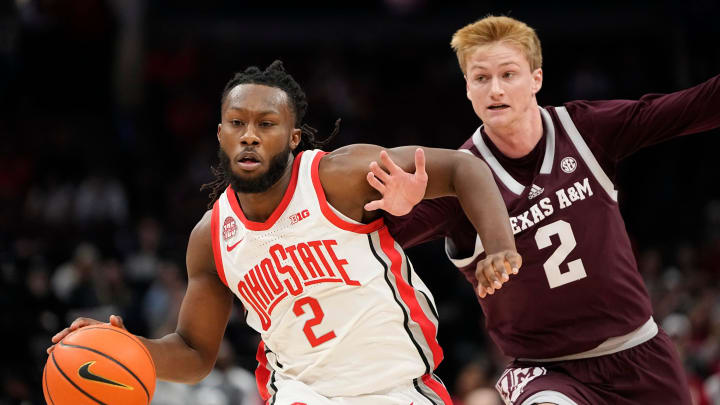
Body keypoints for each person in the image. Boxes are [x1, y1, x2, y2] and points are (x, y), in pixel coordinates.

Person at [48, 60, 521, 405]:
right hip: (300, 394)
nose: (249, 135)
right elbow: (194, 353)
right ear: (220, 135)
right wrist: (130, 348)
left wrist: (499, 245)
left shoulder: (338, 176)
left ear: (293, 137)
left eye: (266, 124)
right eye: (237, 123)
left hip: (397, 388)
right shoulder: (211, 236)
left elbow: (464, 168)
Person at [367, 15, 720, 405]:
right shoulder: (460, 177)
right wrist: (397, 211)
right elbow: (375, 241)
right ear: (467, 88)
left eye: (508, 74)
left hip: (639, 350)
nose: (495, 89)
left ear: (536, 78)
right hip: (545, 370)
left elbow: (690, 108)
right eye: (481, 78)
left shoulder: (584, 129)